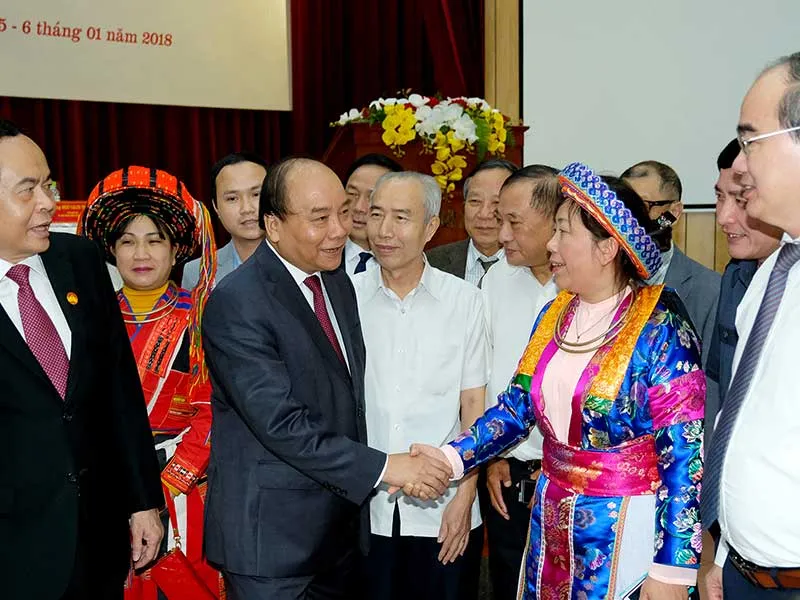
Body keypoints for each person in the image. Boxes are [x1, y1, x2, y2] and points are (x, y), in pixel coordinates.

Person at [415, 162, 706, 599]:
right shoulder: (555, 315)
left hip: (627, 528)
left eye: (564, 232)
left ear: (607, 247)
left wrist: (673, 570)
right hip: (551, 519)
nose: (551, 243)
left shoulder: (661, 328)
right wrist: (450, 459)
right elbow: (516, 408)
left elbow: (684, 456)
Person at [201, 157, 455, 599]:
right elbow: (282, 424)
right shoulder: (237, 302)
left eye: (344, 212)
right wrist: (387, 466)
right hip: (273, 547)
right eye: (320, 219)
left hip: (338, 538)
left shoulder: (335, 281)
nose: (340, 230)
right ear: (274, 226)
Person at [0, 122, 164, 599]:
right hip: (13, 544)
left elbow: (119, 390)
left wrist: (142, 501)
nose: (48, 203)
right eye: (27, 189)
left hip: (98, 538)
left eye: (48, 184)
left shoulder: (80, 260)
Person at [79, 166, 222, 598]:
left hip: (181, 493)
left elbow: (213, 415)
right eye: (128, 241)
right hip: (107, 492)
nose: (141, 253)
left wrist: (157, 490)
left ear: (176, 250)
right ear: (111, 250)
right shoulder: (87, 319)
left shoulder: (201, 318)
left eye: (155, 240)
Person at [353, 171, 487, 600]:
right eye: (377, 215)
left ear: (430, 227)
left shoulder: (466, 301)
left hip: (442, 507)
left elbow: (474, 406)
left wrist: (465, 496)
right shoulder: (345, 297)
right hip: (363, 509)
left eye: (401, 217)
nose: (384, 231)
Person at [702, 51, 800, 599]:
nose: (739, 163)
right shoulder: (770, 273)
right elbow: (745, 421)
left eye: (750, 140)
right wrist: (727, 553)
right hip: (745, 571)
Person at [479, 165, 561, 599]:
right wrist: (493, 457)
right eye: (500, 220)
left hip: (570, 481)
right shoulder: (496, 281)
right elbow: (484, 373)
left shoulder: (585, 285)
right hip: (507, 479)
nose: (502, 235)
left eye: (514, 222)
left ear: (554, 220)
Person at [705, 140, 781, 411]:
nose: (723, 217)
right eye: (719, 197)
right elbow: (717, 382)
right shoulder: (735, 275)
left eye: (741, 200)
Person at [182, 152, 268, 289]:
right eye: (232, 198)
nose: (247, 209)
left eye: (256, 194)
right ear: (216, 207)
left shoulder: (301, 259)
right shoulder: (197, 273)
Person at [426, 159, 518, 285]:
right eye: (475, 201)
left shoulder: (533, 267)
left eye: (497, 202)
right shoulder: (431, 264)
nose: (484, 214)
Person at [342, 153, 403, 276]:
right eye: (352, 194)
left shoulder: (408, 265)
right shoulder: (317, 257)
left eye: (371, 197)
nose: (359, 207)